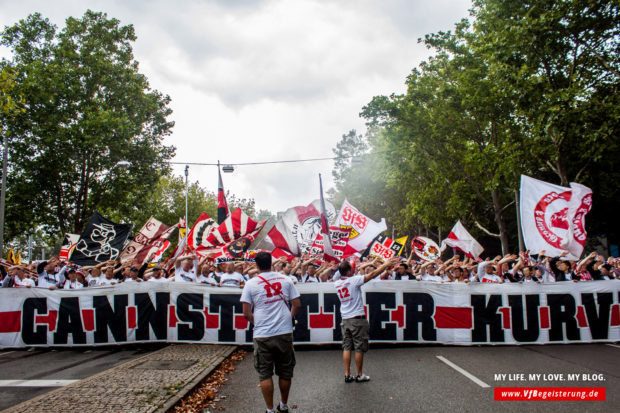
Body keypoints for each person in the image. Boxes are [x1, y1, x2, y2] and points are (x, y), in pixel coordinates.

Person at [241, 252, 300, 413]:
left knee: (265, 373)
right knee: (285, 371)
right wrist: (289, 318)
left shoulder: (250, 284)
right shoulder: (286, 280)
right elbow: (297, 304)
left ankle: (269, 409)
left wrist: (257, 323)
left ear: (257, 265)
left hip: (262, 334)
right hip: (284, 332)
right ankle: (283, 404)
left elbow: (246, 313)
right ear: (272, 263)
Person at [334, 257, 398, 383]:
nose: (354, 270)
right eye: (351, 269)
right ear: (348, 272)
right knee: (359, 347)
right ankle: (359, 374)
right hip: (357, 318)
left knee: (346, 347)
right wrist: (386, 264)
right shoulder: (354, 280)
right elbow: (372, 274)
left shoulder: (337, 283)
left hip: (345, 318)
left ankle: (347, 374)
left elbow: (342, 273)